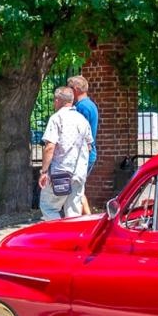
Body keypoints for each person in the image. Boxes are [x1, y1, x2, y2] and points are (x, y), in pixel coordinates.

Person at [38, 86, 93, 220]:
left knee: (49, 207)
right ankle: (72, 234)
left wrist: (44, 171)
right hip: (79, 173)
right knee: (73, 212)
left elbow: (50, 147)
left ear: (57, 100)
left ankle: (57, 232)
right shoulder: (82, 120)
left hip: (60, 172)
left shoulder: (57, 118)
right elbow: (89, 146)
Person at [68, 75, 99, 214]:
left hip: (83, 154)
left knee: (77, 190)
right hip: (87, 153)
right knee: (78, 189)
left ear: (76, 89)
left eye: (70, 89)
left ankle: (88, 218)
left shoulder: (82, 107)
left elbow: (80, 133)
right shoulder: (89, 104)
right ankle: (88, 217)